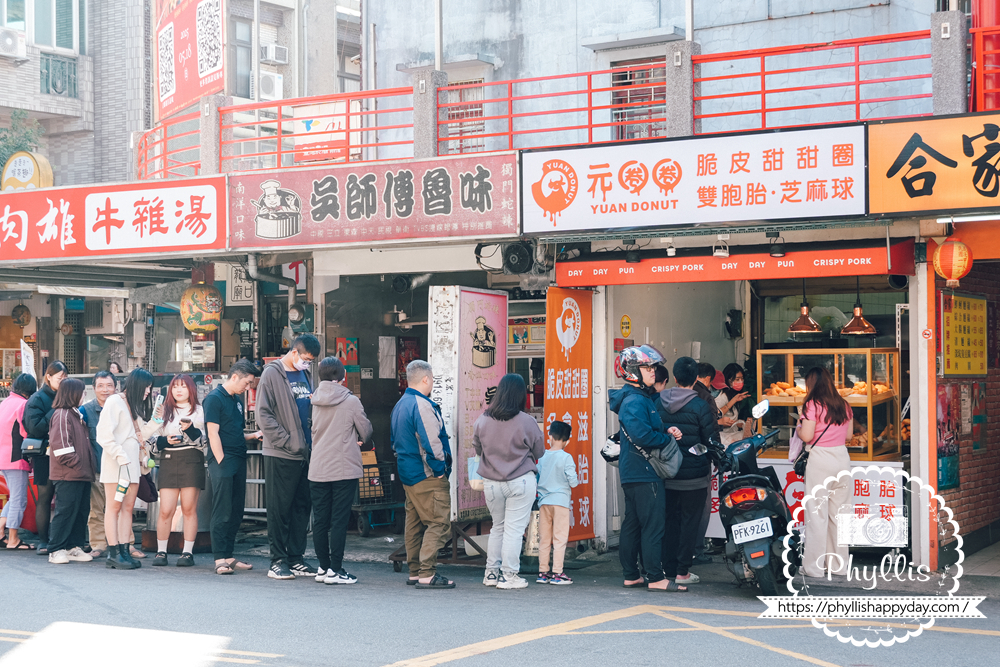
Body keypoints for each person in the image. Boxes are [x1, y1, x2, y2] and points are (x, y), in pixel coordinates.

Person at [609, 345, 683, 592]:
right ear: (632, 371)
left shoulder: (635, 398)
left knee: (633, 524)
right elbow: (642, 435)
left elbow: (643, 430)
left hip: (634, 471)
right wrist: (667, 439)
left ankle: (632, 575)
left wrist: (665, 431)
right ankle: (655, 577)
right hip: (645, 472)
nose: (653, 371)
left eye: (653, 367)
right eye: (647, 367)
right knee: (652, 525)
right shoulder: (635, 400)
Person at [658, 357, 728, 589]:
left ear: (675, 378)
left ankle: (668, 568)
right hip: (695, 475)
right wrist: (717, 459)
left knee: (670, 520)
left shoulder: (659, 402)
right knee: (690, 522)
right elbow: (711, 438)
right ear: (696, 378)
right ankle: (682, 572)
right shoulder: (700, 405)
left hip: (666, 473)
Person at [257, 333, 321, 580]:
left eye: (311, 361)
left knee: (301, 507)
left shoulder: (304, 374)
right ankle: (277, 560)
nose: (308, 363)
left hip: (306, 452)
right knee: (279, 508)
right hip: (281, 452)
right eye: (306, 358)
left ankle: (296, 558)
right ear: (294, 352)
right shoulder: (272, 374)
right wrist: (287, 441)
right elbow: (264, 415)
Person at [473, 373, 545, 591]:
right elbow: (539, 450)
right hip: (520, 480)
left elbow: (477, 448)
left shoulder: (482, 419)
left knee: (498, 527)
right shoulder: (527, 421)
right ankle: (509, 575)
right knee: (514, 530)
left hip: (492, 482)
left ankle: (491, 573)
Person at [309, 357, 373, 585]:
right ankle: (336, 569)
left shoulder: (314, 399)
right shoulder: (351, 401)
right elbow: (365, 431)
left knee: (320, 521)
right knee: (338, 520)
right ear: (342, 376)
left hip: (317, 466)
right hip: (343, 467)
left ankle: (323, 568)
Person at [391, 360, 454, 589]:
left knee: (414, 524)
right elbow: (432, 442)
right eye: (433, 379)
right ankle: (428, 572)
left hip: (408, 474)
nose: (433, 383)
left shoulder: (400, 405)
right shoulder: (421, 405)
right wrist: (440, 470)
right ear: (425, 379)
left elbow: (394, 442)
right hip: (427, 475)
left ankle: (415, 571)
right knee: (438, 522)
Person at [98, 368, 161, 570]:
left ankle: (124, 551)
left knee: (127, 509)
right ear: (137, 385)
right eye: (146, 388)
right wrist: (120, 455)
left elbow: (139, 435)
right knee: (114, 508)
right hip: (117, 465)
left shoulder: (131, 405)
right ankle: (114, 552)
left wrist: (156, 422)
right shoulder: (115, 401)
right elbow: (103, 435)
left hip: (131, 466)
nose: (147, 392)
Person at [204, 360, 262, 575]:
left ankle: (228, 555)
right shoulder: (214, 398)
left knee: (236, 510)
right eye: (247, 383)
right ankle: (219, 558)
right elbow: (213, 433)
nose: (247, 388)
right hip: (224, 461)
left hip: (239, 457)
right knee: (222, 510)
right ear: (235, 376)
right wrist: (220, 461)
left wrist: (253, 436)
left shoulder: (236, 400)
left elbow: (235, 432)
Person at [797, 366, 853, 578]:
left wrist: (800, 426)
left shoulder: (812, 405)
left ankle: (814, 567)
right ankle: (838, 566)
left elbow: (808, 436)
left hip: (820, 459)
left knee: (816, 514)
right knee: (839, 515)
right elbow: (848, 436)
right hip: (842, 458)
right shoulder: (844, 405)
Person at [151, 374, 206, 567]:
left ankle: (187, 553)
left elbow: (205, 441)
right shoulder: (162, 410)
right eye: (175, 387)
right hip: (168, 458)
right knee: (165, 509)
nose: (179, 390)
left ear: (191, 389)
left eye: (183, 386)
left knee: (189, 508)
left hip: (192, 458)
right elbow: (150, 437)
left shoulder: (199, 410)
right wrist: (165, 441)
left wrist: (190, 430)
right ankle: (161, 551)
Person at [46, 378, 97, 564]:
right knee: (65, 511)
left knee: (81, 511)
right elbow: (61, 448)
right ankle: (55, 549)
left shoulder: (74, 414)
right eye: (83, 392)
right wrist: (79, 465)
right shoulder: (62, 414)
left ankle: (73, 547)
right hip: (68, 474)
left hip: (80, 473)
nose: (84, 395)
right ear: (73, 394)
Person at [23, 360, 68, 554]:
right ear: (48, 377)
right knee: (45, 497)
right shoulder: (37, 399)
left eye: (65, 378)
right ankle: (43, 540)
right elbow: (34, 427)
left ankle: (61, 538)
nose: (63, 381)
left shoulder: (66, 396)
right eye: (60, 378)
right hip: (44, 454)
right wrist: (56, 409)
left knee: (64, 499)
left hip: (65, 453)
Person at [81, 371, 120, 557]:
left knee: (121, 508)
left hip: (119, 469)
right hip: (96, 468)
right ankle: (98, 545)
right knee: (96, 510)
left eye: (109, 385)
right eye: (101, 386)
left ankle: (125, 544)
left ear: (116, 387)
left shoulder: (123, 408)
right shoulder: (85, 411)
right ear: (94, 388)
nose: (105, 390)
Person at [535, 420, 578, 586]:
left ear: (550, 436)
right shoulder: (566, 457)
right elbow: (573, 482)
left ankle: (542, 573)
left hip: (544, 502)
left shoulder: (543, 457)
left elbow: (537, 478)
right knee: (559, 539)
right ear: (568, 441)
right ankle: (558, 573)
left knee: (544, 539)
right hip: (561, 502)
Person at [0, 374, 37, 550]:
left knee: (13, 497)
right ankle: (13, 539)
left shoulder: (5, 403)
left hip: (3, 457)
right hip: (16, 457)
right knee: (18, 499)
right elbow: (25, 431)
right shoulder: (23, 405)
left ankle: (1, 532)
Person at [715, 363, 753, 447]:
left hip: (732, 436)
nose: (740, 382)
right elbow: (715, 415)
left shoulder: (735, 395)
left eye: (742, 379)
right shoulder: (723, 397)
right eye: (737, 379)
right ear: (729, 380)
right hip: (723, 438)